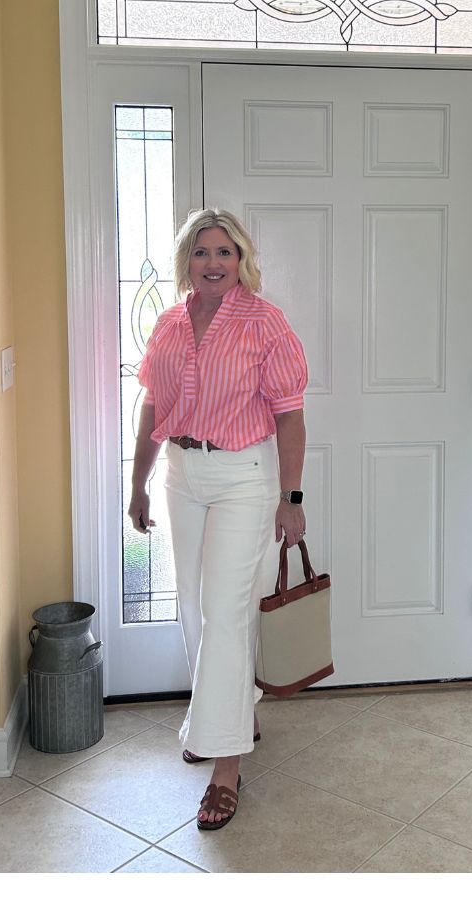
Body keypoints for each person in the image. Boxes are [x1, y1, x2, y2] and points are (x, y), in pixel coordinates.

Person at [128, 208, 307, 830]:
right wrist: (138, 483)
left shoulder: (265, 322)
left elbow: (289, 415)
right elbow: (154, 404)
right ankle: (231, 708)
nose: (212, 263)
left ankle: (226, 765)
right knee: (195, 608)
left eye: (224, 252)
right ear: (187, 260)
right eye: (201, 252)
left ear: (241, 259)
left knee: (228, 612)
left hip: (243, 477)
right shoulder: (170, 325)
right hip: (183, 474)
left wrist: (292, 498)